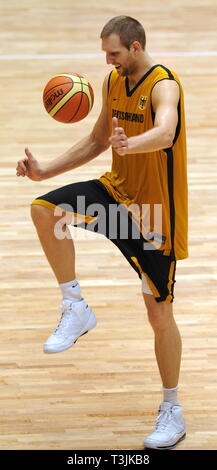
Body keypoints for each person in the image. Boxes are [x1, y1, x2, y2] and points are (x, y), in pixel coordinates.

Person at [16, 15, 188, 450]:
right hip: (117, 196)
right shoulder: (113, 81)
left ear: (134, 46)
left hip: (154, 218)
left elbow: (166, 131)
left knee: (158, 314)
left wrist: (135, 143)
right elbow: (96, 141)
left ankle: (172, 409)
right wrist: (44, 172)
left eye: (113, 52)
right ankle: (75, 305)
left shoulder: (164, 84)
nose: (108, 60)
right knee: (45, 210)